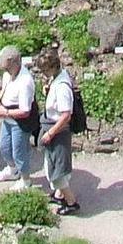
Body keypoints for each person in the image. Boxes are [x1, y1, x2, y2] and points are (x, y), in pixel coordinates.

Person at [36, 49, 80, 215]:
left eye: (45, 70)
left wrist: (51, 133)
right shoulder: (58, 78)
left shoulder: (62, 87)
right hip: (54, 129)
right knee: (54, 164)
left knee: (57, 170)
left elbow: (66, 115)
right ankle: (59, 194)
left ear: (52, 67)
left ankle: (71, 202)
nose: (44, 74)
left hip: (57, 132)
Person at [0, 45, 37, 184]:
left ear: (12, 61)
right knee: (4, 147)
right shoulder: (8, 74)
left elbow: (25, 111)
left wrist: (4, 112)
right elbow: (4, 90)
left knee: (19, 153)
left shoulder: (25, 82)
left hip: (20, 123)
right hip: (7, 119)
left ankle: (25, 180)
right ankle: (12, 170)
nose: (3, 69)